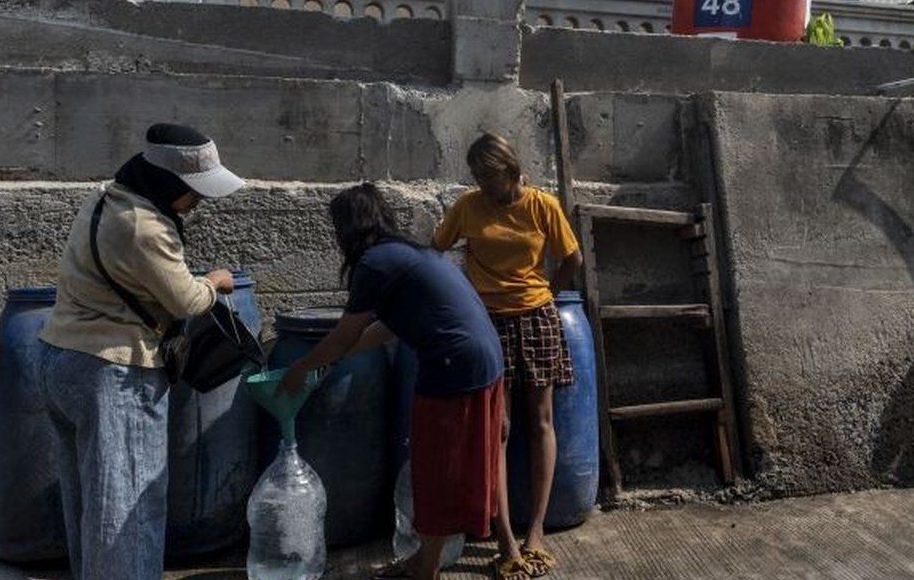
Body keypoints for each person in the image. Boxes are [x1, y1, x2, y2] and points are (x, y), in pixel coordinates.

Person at [279, 183, 530, 580]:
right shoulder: (410, 254)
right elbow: (384, 330)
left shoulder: (375, 264)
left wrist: (298, 369)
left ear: (347, 228)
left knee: (436, 473)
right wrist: (333, 358)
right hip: (485, 357)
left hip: (453, 367)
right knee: (475, 459)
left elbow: (344, 335)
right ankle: (474, 554)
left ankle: (425, 572)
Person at [38, 123, 244, 580]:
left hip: (60, 357)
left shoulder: (105, 199)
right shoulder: (145, 227)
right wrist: (216, 281)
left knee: (92, 504)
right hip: (113, 372)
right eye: (194, 192)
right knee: (128, 508)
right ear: (170, 183)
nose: (198, 203)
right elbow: (187, 301)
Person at [432, 132, 582, 578]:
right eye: (477, 176)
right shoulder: (468, 207)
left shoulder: (542, 205)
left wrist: (548, 296)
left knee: (540, 422)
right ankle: (505, 539)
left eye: (489, 176)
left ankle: (535, 531)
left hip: (537, 319)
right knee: (496, 427)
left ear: (510, 171)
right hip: (485, 325)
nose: (482, 184)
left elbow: (572, 259)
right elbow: (436, 250)